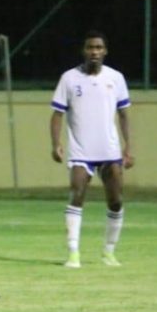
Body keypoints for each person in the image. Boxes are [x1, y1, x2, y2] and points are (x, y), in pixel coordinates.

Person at [50, 32, 133, 268]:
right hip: (81, 151)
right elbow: (57, 114)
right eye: (90, 47)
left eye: (98, 47)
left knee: (116, 201)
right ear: (83, 50)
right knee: (76, 195)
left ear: (105, 51)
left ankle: (109, 252)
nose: (94, 51)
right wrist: (55, 143)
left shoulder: (115, 78)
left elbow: (124, 114)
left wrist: (128, 146)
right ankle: (73, 253)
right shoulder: (69, 78)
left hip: (109, 151)